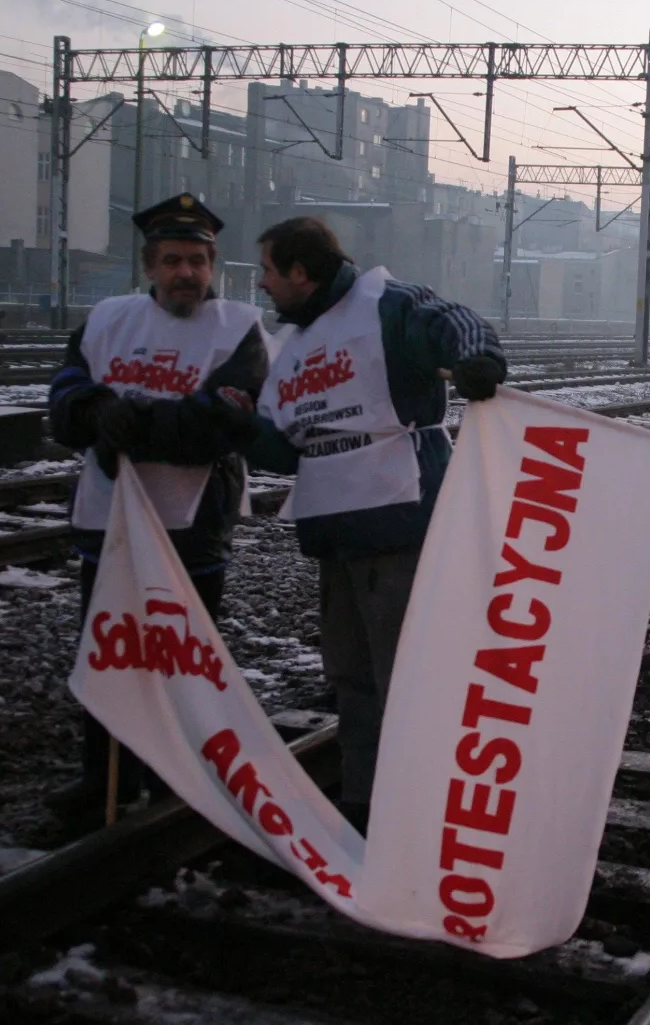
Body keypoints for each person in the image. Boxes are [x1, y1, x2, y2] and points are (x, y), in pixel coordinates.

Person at [245, 216, 505, 834]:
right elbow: (282, 448)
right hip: (336, 531)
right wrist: (225, 426)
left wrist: (478, 361)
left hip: (399, 521)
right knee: (352, 679)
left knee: (406, 677)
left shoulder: (385, 305)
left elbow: (456, 322)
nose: (261, 284)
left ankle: (419, 812)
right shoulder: (296, 344)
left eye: (268, 271)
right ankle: (365, 805)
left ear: (301, 274)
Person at [45, 193, 269, 826]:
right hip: (107, 517)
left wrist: (133, 419)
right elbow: (64, 396)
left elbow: (225, 417)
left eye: (198, 261)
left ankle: (186, 773)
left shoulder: (238, 327)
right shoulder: (105, 321)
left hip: (193, 522)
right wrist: (93, 411)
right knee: (108, 650)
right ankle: (103, 777)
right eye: (173, 260)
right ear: (149, 266)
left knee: (186, 655)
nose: (187, 274)